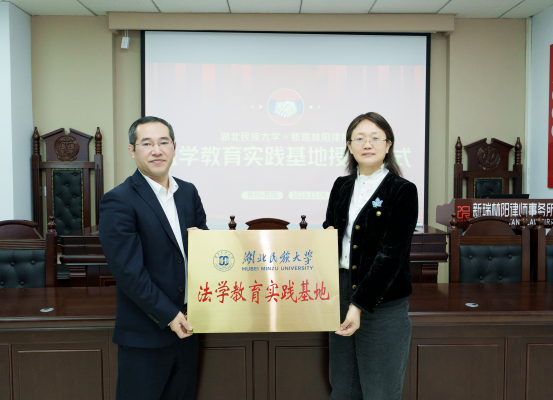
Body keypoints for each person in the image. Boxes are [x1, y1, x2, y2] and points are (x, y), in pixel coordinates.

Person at [99, 116, 208, 400]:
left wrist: (205, 245)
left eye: (163, 142)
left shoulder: (188, 192)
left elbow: (204, 252)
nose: (157, 150)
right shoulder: (119, 200)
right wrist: (170, 315)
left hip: (189, 329)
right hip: (145, 335)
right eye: (147, 144)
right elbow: (128, 273)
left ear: (174, 147)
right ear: (132, 150)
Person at [323, 112, 418, 400]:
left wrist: (359, 304)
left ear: (388, 145)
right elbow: (331, 235)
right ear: (349, 146)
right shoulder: (341, 186)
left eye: (376, 138)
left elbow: (391, 256)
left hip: (383, 303)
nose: (367, 144)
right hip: (340, 296)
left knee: (380, 391)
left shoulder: (403, 190)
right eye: (360, 138)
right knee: (343, 387)